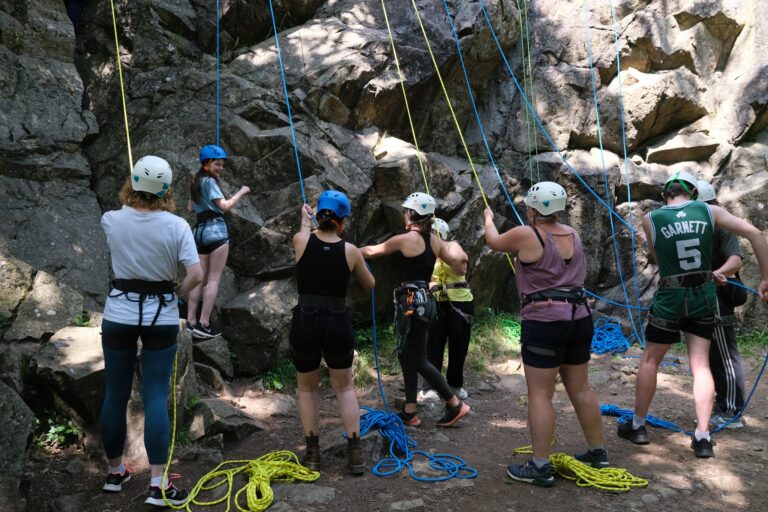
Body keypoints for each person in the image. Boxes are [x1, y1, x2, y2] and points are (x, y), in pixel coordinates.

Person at [618, 171, 768, 458]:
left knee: (650, 360)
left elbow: (658, 258)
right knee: (700, 365)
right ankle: (702, 436)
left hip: (671, 296)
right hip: (703, 295)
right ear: (694, 194)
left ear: (665, 195)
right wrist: (765, 278)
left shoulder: (651, 218)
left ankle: (638, 425)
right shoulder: (709, 211)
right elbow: (755, 234)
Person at [483, 181, 606, 487]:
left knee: (540, 393)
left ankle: (540, 467)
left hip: (545, 320)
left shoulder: (528, 233)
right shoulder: (573, 234)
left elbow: (494, 242)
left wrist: (487, 218)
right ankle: (597, 453)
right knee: (582, 389)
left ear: (534, 209)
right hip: (579, 317)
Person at [100, 156, 202, 506]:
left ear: (131, 184)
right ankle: (158, 485)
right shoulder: (177, 227)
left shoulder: (111, 220)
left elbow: (125, 219)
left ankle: (115, 473)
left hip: (119, 314)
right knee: (156, 396)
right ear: (168, 191)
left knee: (115, 394)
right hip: (160, 315)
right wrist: (177, 293)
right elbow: (197, 274)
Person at [360, 192, 470, 428]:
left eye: (405, 211)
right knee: (406, 355)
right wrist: (462, 257)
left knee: (418, 359)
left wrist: (347, 252)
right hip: (425, 302)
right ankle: (410, 411)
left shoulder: (405, 239)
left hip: (411, 303)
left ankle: (454, 404)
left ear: (411, 214)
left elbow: (371, 251)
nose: (403, 215)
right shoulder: (434, 240)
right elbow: (458, 266)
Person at [290, 191, 375, 475]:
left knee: (306, 388)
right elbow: (370, 283)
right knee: (345, 387)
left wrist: (305, 219)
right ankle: (355, 456)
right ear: (343, 221)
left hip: (306, 320)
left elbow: (304, 235)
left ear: (319, 215)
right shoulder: (350, 251)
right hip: (337, 320)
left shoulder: (301, 240)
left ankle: (313, 455)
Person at [697, 180, 748, 428]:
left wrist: (717, 273)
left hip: (717, 296)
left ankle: (732, 411)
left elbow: (736, 261)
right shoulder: (697, 224)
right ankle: (723, 403)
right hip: (702, 294)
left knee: (724, 354)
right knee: (711, 356)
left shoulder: (720, 223)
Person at [186, 144, 250, 339]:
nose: (220, 168)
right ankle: (204, 323)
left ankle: (190, 321)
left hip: (199, 231)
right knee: (213, 280)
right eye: (217, 164)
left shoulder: (195, 182)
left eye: (221, 165)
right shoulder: (210, 182)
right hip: (216, 231)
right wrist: (241, 191)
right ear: (206, 164)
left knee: (199, 278)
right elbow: (224, 206)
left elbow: (190, 208)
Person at [420, 218, 474, 401]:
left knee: (458, 345)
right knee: (433, 345)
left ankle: (455, 385)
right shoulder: (427, 252)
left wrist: (440, 249)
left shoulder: (452, 245)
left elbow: (459, 265)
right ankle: (430, 388)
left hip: (460, 303)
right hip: (438, 303)